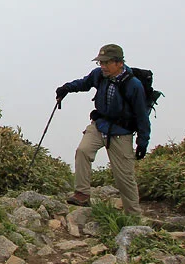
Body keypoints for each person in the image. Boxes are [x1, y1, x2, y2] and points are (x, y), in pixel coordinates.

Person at [54, 44, 150, 214]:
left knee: (124, 177)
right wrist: (67, 88)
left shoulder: (133, 85)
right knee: (83, 151)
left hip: (121, 133)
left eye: (106, 63)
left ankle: (133, 215)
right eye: (101, 63)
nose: (102, 66)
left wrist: (142, 142)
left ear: (119, 63)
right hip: (99, 125)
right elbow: (84, 83)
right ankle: (82, 194)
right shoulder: (99, 75)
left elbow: (142, 116)